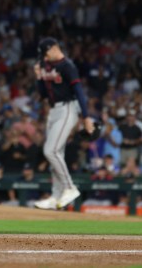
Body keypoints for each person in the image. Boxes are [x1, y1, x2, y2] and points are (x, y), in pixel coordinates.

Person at [33, 37, 95, 210]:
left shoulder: (67, 66)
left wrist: (86, 117)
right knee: (56, 153)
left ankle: (69, 187)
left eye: (45, 53)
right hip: (53, 111)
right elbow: (43, 95)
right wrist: (39, 77)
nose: (44, 58)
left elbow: (79, 92)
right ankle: (56, 196)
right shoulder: (47, 67)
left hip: (68, 109)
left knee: (50, 150)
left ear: (54, 48)